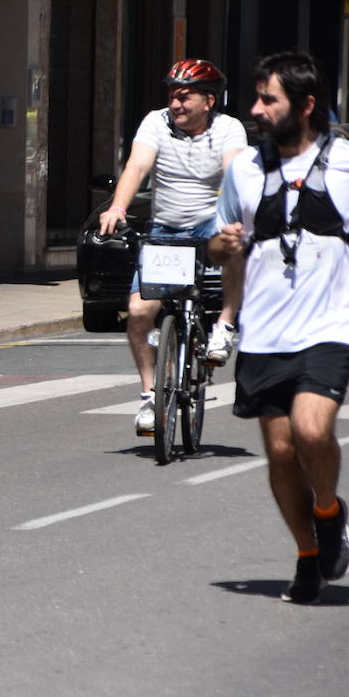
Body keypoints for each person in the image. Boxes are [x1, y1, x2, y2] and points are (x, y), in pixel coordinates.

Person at [209, 51, 349, 605]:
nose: (256, 110)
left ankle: (329, 513)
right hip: (264, 333)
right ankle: (308, 555)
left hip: (329, 325)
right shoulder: (244, 169)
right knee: (283, 455)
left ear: (306, 105)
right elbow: (217, 243)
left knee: (313, 432)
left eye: (269, 100)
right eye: (257, 98)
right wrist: (222, 246)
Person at [98, 59, 247, 437]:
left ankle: (225, 325)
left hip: (210, 225)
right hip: (167, 230)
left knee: (235, 245)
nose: (176, 104)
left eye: (185, 97)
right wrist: (118, 207)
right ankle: (150, 396)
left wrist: (235, 217)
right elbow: (137, 166)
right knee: (138, 311)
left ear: (209, 101)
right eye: (172, 96)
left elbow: (234, 173)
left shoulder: (229, 129)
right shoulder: (156, 122)